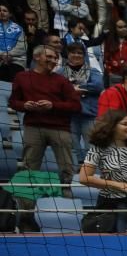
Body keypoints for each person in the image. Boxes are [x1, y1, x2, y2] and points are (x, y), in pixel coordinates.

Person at [10, 45, 79, 185]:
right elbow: (13, 101)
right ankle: (26, 205)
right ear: (36, 57)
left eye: (55, 58)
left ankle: (68, 199)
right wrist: (24, 105)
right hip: (33, 127)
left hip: (60, 129)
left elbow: (76, 106)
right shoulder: (22, 77)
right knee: (28, 168)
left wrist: (53, 105)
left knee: (67, 169)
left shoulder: (62, 81)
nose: (53, 60)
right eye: (49, 57)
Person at [78, 110, 127, 232]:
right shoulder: (98, 148)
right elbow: (84, 178)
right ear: (112, 126)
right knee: (114, 244)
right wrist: (117, 185)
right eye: (125, 124)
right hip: (111, 204)